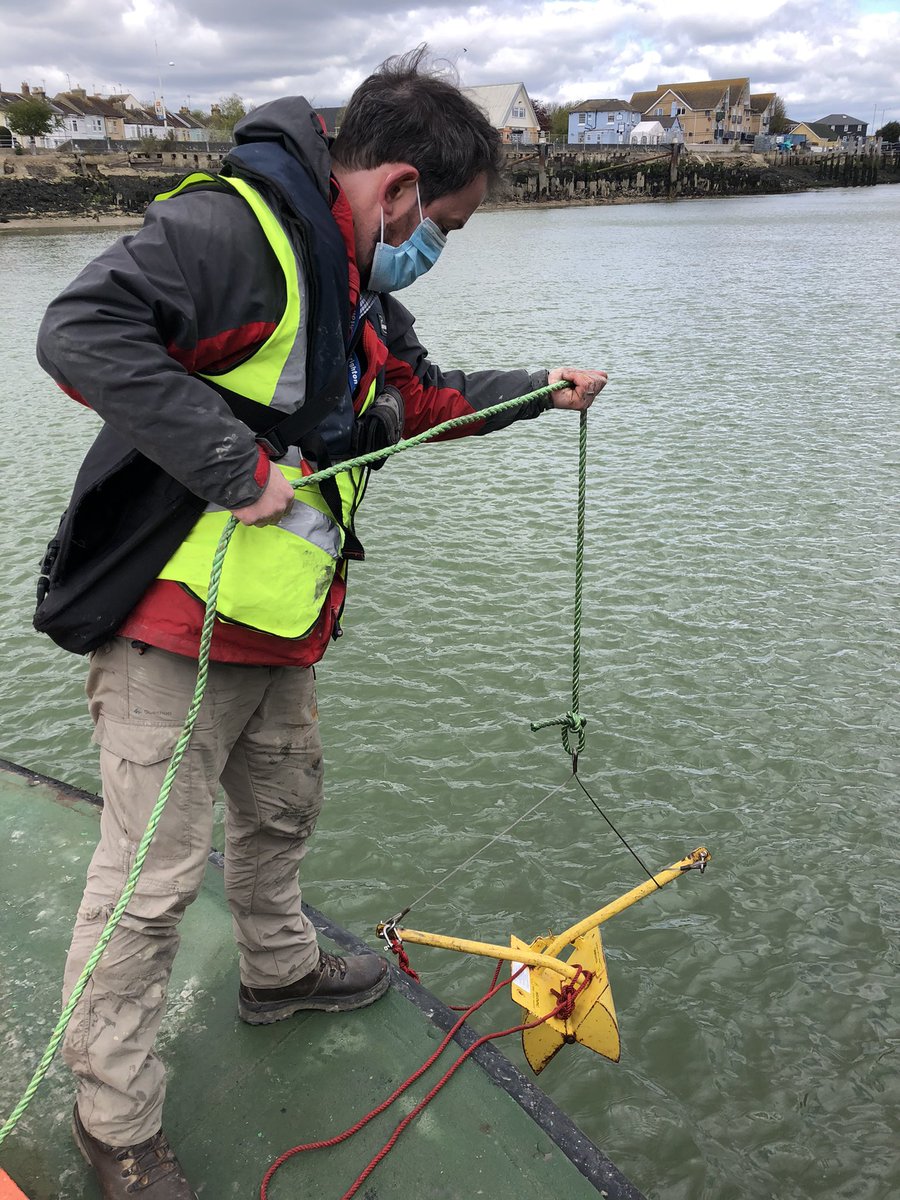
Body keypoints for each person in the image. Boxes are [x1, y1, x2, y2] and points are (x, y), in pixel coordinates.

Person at [35, 47, 607, 1200]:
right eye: (443, 221)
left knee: (286, 807)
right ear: (395, 188)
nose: (437, 245)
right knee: (145, 893)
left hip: (279, 626)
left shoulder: (357, 288)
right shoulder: (233, 236)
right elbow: (80, 333)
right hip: (170, 628)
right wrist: (228, 462)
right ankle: (115, 1124)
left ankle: (279, 971)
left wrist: (540, 388)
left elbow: (425, 399)